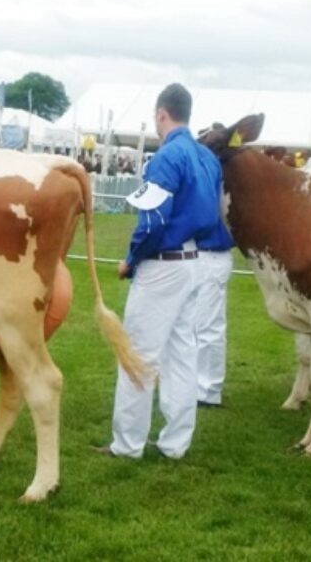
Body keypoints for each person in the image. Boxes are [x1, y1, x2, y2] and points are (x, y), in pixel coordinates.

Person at [96, 83, 222, 459]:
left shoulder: (167, 158)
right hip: (195, 262)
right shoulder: (207, 158)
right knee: (183, 354)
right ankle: (175, 444)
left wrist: (131, 259)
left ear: (161, 114)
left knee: (139, 353)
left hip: (164, 266)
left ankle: (127, 444)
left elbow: (152, 221)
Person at [195, 219, 234, 407]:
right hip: (201, 254)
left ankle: (208, 389)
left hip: (211, 253)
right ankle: (197, 385)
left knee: (208, 325)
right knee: (196, 324)